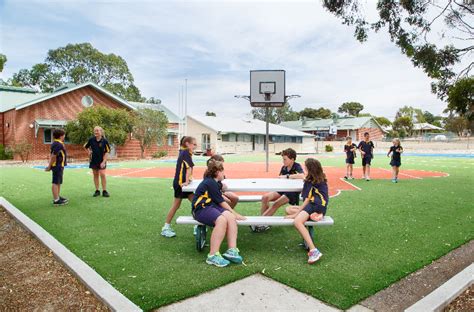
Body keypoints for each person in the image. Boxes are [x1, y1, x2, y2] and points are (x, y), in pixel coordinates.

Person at [192, 160, 246, 267]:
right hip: (201, 208)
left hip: (210, 206)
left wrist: (222, 186)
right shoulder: (210, 182)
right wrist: (235, 213)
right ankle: (212, 256)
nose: (224, 173)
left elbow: (220, 188)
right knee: (222, 220)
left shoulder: (214, 182)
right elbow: (221, 202)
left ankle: (232, 250)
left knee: (230, 217)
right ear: (217, 172)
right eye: (222, 171)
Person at [285, 158, 328, 264]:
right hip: (321, 207)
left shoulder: (309, 180)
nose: (304, 168)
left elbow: (307, 200)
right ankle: (317, 215)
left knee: (297, 221)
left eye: (305, 167)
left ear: (309, 169)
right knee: (288, 209)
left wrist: (296, 215)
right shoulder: (320, 178)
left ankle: (313, 250)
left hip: (314, 204)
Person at [161, 136, 197, 238]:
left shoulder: (184, 152)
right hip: (180, 184)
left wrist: (189, 179)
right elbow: (188, 168)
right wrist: (186, 181)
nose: (195, 146)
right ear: (187, 144)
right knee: (178, 205)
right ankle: (166, 227)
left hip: (180, 183)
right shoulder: (185, 153)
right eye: (194, 144)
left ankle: (197, 224)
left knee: (196, 202)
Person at [84, 126, 111, 197]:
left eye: (97, 131)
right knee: (95, 175)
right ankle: (97, 190)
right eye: (95, 131)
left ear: (101, 132)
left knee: (102, 174)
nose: (96, 132)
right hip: (94, 160)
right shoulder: (91, 140)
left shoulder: (105, 141)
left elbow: (107, 152)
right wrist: (89, 152)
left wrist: (104, 162)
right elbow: (85, 146)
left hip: (102, 160)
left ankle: (104, 190)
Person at [45, 129, 68, 206]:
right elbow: (53, 156)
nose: (64, 136)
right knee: (55, 182)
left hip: (59, 165)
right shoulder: (58, 144)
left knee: (58, 181)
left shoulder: (57, 143)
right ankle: (56, 199)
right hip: (57, 165)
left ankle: (57, 196)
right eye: (64, 135)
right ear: (61, 136)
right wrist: (49, 166)